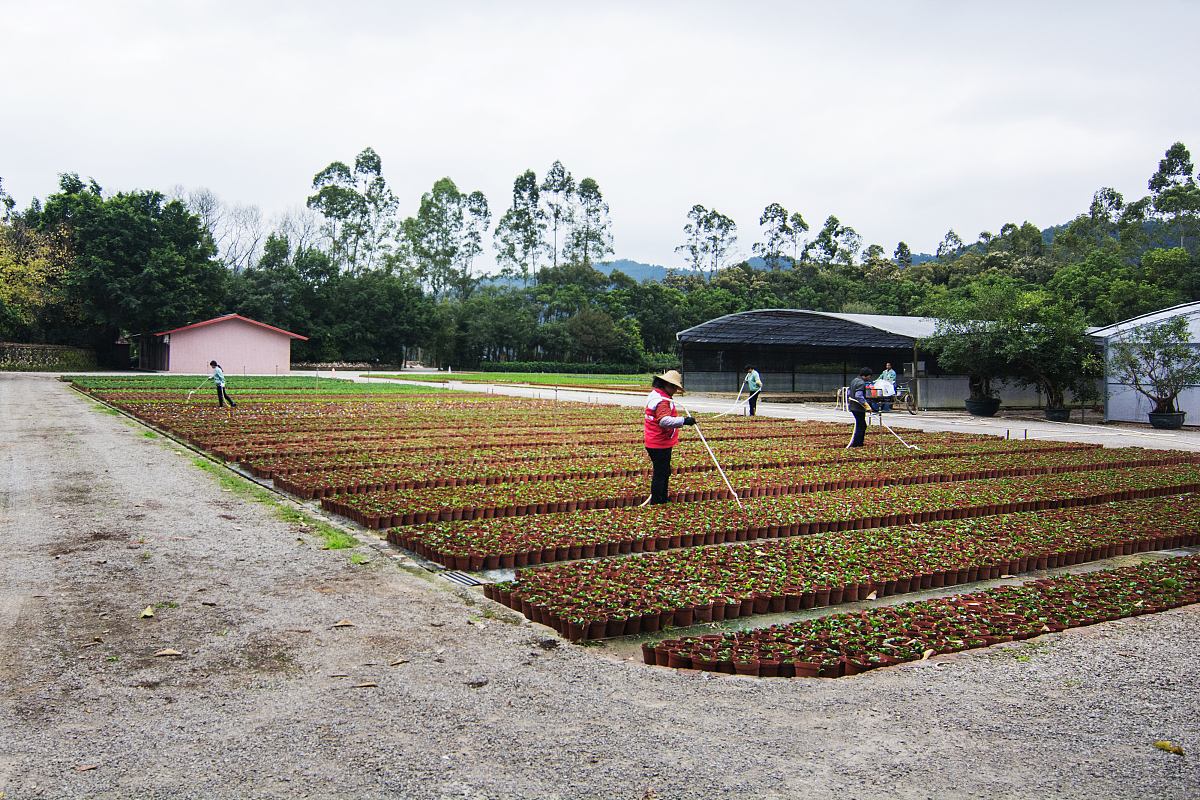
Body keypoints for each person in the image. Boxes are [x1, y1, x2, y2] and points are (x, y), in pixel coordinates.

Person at [644, 369, 695, 504]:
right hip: (659, 442)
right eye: (675, 388)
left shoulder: (657, 395)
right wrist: (684, 420)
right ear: (667, 385)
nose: (675, 391)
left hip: (655, 440)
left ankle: (663, 498)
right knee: (660, 474)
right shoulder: (661, 400)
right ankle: (657, 501)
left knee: (664, 472)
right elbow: (664, 421)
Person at [847, 367, 872, 447]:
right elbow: (859, 396)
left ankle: (859, 443)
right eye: (869, 376)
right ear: (865, 375)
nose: (869, 378)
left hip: (853, 407)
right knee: (861, 426)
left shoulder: (854, 380)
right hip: (858, 408)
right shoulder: (861, 383)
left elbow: (849, 393)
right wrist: (867, 405)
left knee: (861, 425)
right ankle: (857, 444)